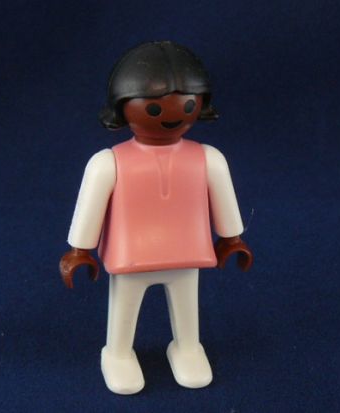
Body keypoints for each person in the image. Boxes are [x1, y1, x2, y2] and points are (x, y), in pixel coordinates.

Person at [59, 41, 253, 395]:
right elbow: (91, 206)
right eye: (152, 107)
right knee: (124, 309)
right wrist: (79, 250)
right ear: (123, 108)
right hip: (131, 255)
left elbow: (224, 200)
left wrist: (231, 239)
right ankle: (118, 353)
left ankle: (187, 348)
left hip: (187, 251)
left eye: (188, 104)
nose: (173, 114)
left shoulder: (208, 159)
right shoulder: (108, 163)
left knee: (187, 307)